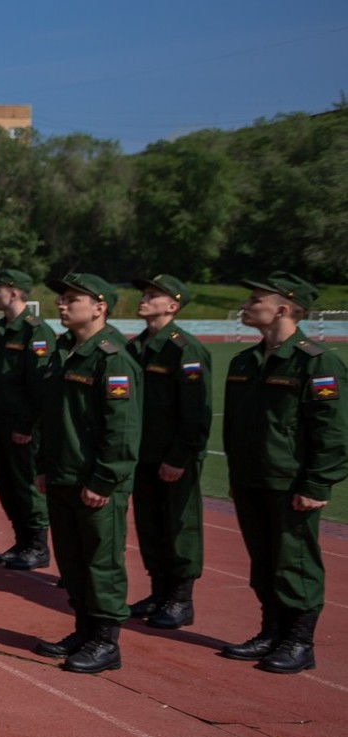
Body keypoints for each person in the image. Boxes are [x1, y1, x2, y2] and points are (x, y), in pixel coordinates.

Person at [220, 273, 347, 673]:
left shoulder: (316, 361)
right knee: (263, 562)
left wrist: (317, 482)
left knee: (295, 562)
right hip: (251, 478)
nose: (246, 305)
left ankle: (299, 641)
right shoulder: (245, 361)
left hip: (290, 482)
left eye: (255, 299)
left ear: (282, 308)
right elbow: (234, 425)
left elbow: (333, 430)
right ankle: (271, 631)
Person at [32, 273, 142, 674]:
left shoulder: (112, 357)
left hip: (94, 480)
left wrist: (104, 479)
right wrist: (43, 465)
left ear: (99, 307)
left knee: (101, 561)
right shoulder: (63, 350)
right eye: (61, 298)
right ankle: (84, 630)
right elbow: (51, 416)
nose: (61, 304)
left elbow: (122, 427)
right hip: (63, 473)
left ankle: (105, 641)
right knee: (72, 560)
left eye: (71, 299)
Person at [125, 274, 212, 629]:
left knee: (179, 526)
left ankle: (180, 599)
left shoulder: (183, 349)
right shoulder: (136, 346)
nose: (143, 299)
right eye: (144, 293)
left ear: (172, 305)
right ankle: (159, 591)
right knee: (150, 525)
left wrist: (178, 458)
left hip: (172, 456)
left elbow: (195, 411)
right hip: (143, 453)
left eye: (152, 295)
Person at [0, 269, 56, 570]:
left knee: (26, 485)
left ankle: (37, 545)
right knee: (6, 484)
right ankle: (22, 540)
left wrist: (27, 425)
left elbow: (39, 386)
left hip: (20, 426)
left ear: (13, 292)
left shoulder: (36, 332)